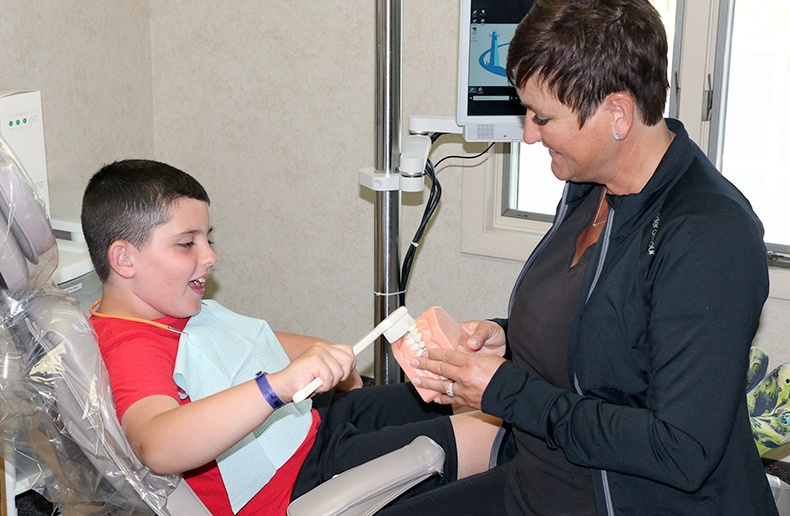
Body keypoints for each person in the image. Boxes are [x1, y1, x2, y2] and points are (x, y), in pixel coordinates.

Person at [381, 0, 779, 514]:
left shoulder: (709, 235)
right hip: (540, 479)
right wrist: (509, 336)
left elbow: (682, 449)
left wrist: (508, 391)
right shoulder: (592, 186)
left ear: (618, 114)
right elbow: (611, 332)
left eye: (542, 117)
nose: (528, 133)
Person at [80, 159, 501, 516]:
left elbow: (249, 342)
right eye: (187, 244)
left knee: (454, 397)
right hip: (293, 479)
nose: (210, 257)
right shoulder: (131, 346)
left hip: (307, 427)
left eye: (208, 239)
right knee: (496, 436)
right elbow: (157, 444)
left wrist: (325, 357)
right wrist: (277, 386)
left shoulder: (163, 308)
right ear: (124, 259)